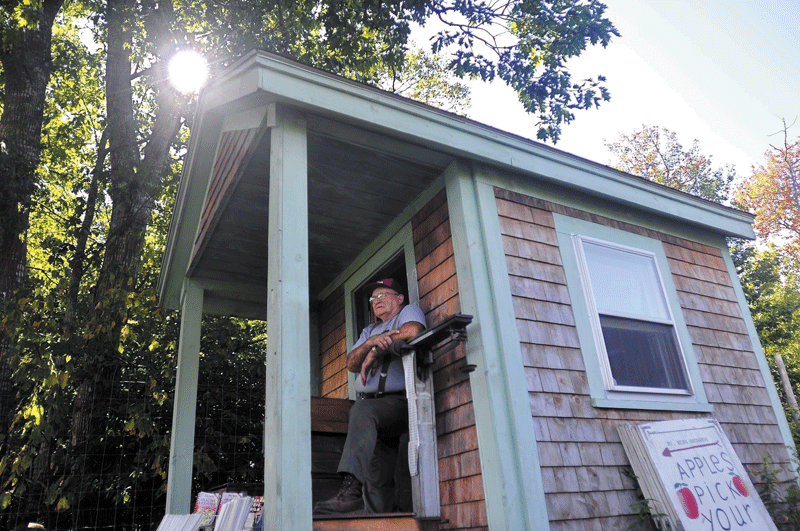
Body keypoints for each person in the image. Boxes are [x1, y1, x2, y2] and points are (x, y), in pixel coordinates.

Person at [314, 278, 426, 515]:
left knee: (361, 411)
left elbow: (414, 331)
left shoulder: (408, 312)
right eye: (373, 299)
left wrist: (376, 350)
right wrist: (371, 343)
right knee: (377, 478)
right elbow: (351, 363)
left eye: (383, 295)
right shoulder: (369, 330)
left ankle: (351, 490)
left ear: (399, 298)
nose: (377, 302)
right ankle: (378, 518)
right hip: (374, 410)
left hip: (399, 402)